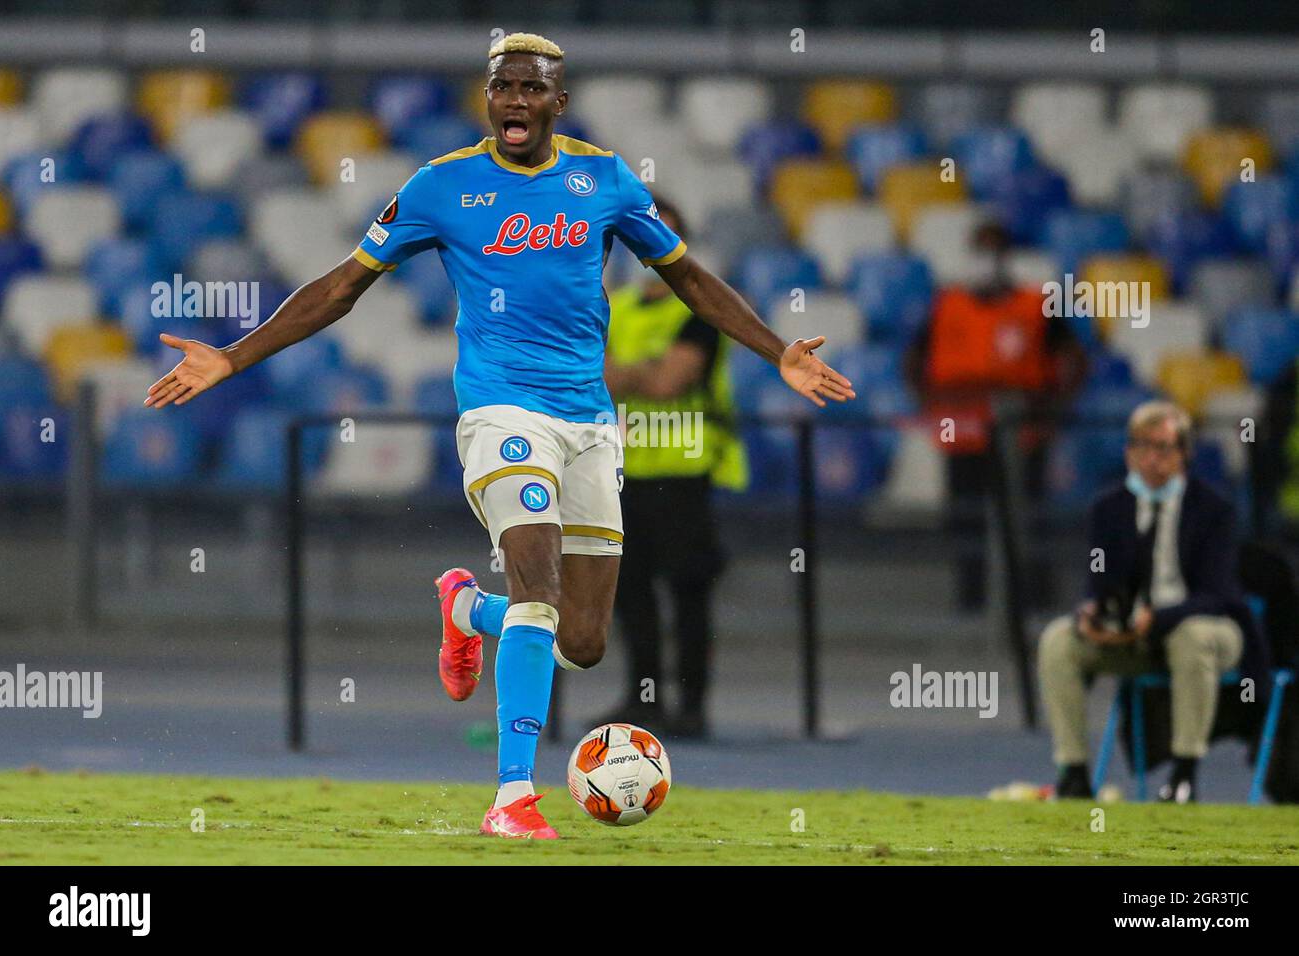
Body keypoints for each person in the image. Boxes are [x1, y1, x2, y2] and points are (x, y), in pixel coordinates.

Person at [142, 33, 855, 839]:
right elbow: (343, 286)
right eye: (502, 86)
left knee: (582, 642)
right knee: (540, 585)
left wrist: (778, 350)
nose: (515, 100)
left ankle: (467, 609)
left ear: (560, 101)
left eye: (531, 88)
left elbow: (686, 276)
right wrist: (234, 356)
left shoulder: (605, 179)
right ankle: (513, 797)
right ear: (489, 98)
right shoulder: (442, 186)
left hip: (589, 424)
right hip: (500, 415)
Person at [1038, 401, 1252, 803]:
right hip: (1135, 637)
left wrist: (1159, 618)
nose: (1152, 458)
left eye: (1164, 448)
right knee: (1058, 640)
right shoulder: (1108, 510)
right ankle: (1075, 774)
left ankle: (1184, 776)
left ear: (1184, 453)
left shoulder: (1214, 510)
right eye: (1142, 447)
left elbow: (1217, 594)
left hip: (1205, 629)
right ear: (1128, 453)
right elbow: (1098, 580)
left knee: (1192, 636)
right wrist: (1092, 612)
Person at [598, 198, 749, 739]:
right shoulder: (616, 307)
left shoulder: (699, 309)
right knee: (629, 587)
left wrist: (628, 372)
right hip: (626, 469)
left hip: (685, 470)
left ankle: (692, 705)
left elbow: (669, 382)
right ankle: (645, 698)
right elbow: (602, 375)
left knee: (687, 590)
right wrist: (645, 372)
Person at [905, 221, 1086, 610]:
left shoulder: (1036, 305)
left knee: (1026, 519)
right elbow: (914, 358)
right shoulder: (946, 304)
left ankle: (1034, 605)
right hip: (963, 428)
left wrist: (1054, 409)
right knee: (966, 518)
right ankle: (970, 602)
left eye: (994, 252)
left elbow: (1075, 359)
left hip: (1021, 430)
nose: (986, 262)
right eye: (979, 252)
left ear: (1008, 259)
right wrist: (929, 405)